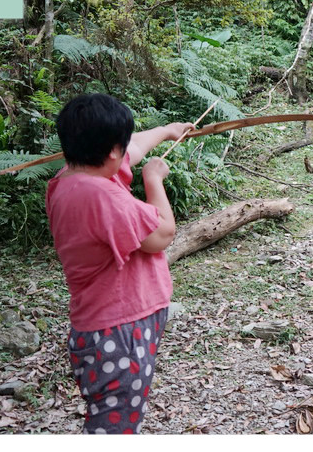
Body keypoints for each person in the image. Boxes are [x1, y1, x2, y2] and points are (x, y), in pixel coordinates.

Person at [45, 93, 193, 434]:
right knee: (114, 425)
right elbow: (162, 234)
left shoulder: (72, 177)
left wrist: (166, 130)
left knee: (116, 415)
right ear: (112, 151)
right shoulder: (104, 197)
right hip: (118, 333)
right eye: (122, 147)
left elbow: (134, 148)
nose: (129, 151)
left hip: (107, 328)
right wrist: (153, 181)